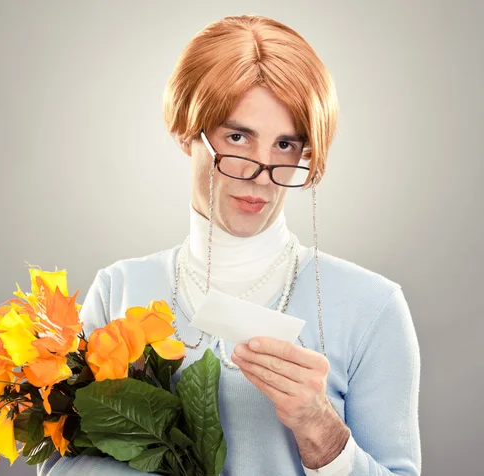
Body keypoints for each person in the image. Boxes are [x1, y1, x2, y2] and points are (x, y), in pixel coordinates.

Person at [38, 14, 421, 476]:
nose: (261, 173)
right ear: (187, 132)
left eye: (285, 145)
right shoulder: (119, 288)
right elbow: (64, 464)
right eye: (238, 137)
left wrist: (322, 432)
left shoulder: (371, 307)